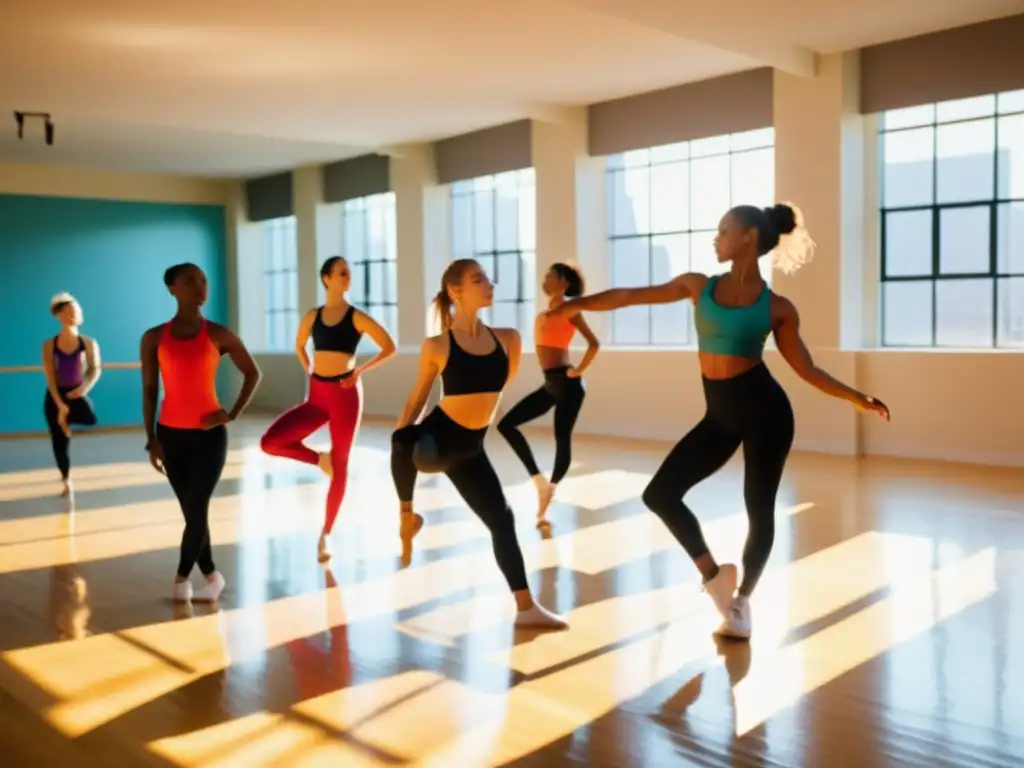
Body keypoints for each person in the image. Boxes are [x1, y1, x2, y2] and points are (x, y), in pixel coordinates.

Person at [545, 203, 890, 640]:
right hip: (721, 414)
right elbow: (630, 295)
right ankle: (714, 577)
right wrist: (575, 305)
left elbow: (807, 369)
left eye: (723, 230)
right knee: (661, 494)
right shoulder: (698, 286)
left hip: (768, 414)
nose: (715, 237)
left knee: (758, 511)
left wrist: (856, 397)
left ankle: (742, 600)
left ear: (747, 236)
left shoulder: (777, 307)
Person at [391, 258, 567, 629]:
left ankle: (526, 608)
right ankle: (406, 516)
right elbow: (417, 399)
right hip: (437, 441)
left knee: (503, 520)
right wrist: (401, 437)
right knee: (403, 438)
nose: (489, 283)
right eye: (477, 279)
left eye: (487, 277)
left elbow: (498, 387)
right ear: (456, 291)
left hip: (471, 450)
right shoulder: (437, 345)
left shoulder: (508, 340)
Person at [260, 256, 397, 562]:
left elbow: (390, 347)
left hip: (346, 396)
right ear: (326, 278)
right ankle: (320, 460)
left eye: (349, 273)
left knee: (342, 463)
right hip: (317, 396)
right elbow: (299, 345)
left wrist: (358, 372)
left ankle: (326, 534)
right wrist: (308, 367)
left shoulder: (357, 317)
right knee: (270, 442)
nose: (348, 277)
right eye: (342, 273)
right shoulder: (313, 316)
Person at [141, 263, 261, 604]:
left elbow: (253, 373)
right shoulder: (153, 337)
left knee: (197, 508)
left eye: (203, 279)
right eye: (191, 280)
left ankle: (180, 579)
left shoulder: (219, 334)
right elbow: (150, 389)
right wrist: (152, 438)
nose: (200, 285)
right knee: (191, 512)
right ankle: (211, 575)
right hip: (170, 436)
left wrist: (232, 413)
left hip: (209, 437)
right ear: (172, 289)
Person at [498, 263, 599, 527]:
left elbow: (594, 343)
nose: (544, 279)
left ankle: (550, 487)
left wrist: (579, 370)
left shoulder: (569, 309)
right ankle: (540, 482)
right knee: (506, 424)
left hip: (568, 384)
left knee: (561, 439)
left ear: (563, 283)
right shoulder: (545, 313)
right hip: (550, 384)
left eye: (550, 276)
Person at [42, 293, 102, 497]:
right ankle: (66, 479)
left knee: (90, 418)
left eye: (75, 312)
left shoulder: (88, 343)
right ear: (59, 316)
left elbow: (95, 370)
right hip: (55, 396)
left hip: (76, 393)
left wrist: (83, 389)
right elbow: (50, 377)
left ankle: (66, 422)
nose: (72, 316)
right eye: (67, 313)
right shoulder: (49, 345)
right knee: (59, 441)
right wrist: (60, 406)